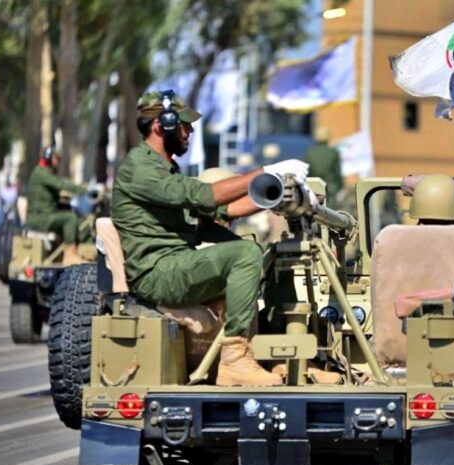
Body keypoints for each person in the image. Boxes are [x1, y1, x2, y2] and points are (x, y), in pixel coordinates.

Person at [112, 90, 312, 387]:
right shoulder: (139, 168)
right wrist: (267, 170)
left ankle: (278, 361)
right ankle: (235, 361)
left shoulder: (163, 170)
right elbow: (204, 195)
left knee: (264, 260)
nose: (189, 131)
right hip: (158, 273)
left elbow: (224, 209)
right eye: (184, 124)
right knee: (244, 254)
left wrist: (278, 191)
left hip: (175, 266)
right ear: (161, 125)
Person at [25, 147, 88, 265]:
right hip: (39, 218)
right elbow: (61, 185)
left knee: (79, 218)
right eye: (56, 159)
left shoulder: (46, 173)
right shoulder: (41, 173)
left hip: (46, 215)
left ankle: (81, 252)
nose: (58, 162)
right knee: (70, 218)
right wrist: (86, 190)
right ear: (48, 158)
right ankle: (70, 255)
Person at [305, 127, 343, 203]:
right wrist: (339, 187)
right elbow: (338, 174)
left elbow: (306, 173)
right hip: (330, 191)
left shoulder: (310, 153)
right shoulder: (333, 152)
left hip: (314, 192)